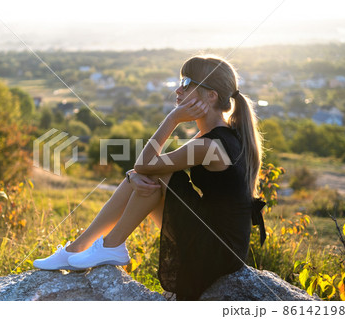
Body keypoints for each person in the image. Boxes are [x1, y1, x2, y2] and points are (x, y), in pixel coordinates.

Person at [33, 54, 266, 300]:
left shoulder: (209, 145)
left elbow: (146, 165)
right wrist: (134, 176)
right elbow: (146, 168)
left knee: (159, 174)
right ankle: (80, 247)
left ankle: (110, 246)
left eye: (187, 82)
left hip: (216, 250)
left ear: (211, 96)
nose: (178, 89)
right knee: (152, 175)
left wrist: (173, 118)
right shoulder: (214, 136)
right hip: (219, 241)